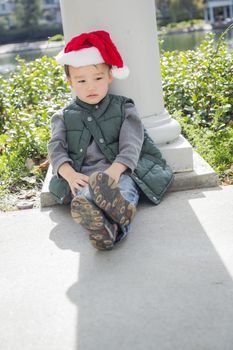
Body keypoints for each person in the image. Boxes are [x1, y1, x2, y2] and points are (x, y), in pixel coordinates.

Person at [48, 30, 173, 251]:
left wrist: (115, 170)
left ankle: (112, 221)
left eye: (98, 78)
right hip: (84, 175)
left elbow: (132, 142)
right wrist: (67, 173)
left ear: (109, 76)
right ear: (70, 82)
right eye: (81, 80)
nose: (91, 86)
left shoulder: (124, 107)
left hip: (119, 171)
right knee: (86, 197)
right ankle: (106, 226)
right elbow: (56, 147)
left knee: (123, 190)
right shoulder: (64, 116)